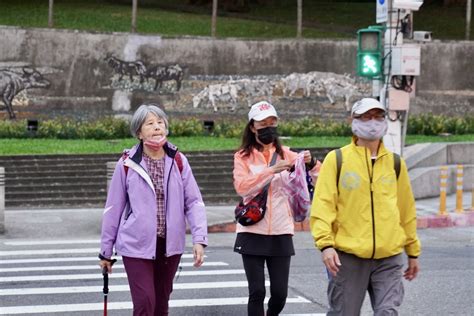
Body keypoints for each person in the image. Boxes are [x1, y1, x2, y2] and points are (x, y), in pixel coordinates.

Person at [310, 98, 421, 316]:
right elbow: (323, 205)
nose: (373, 122)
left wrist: (413, 251)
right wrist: (326, 245)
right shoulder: (337, 159)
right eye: (366, 117)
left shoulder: (396, 163)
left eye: (378, 117)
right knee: (344, 313)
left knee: (387, 312)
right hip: (349, 257)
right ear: (353, 121)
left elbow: (406, 210)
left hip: (388, 256)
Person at [99, 104, 208, 316]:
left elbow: (194, 202)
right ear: (139, 132)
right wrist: (105, 251)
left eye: (160, 122)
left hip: (169, 245)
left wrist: (199, 239)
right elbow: (113, 208)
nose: (157, 127)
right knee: (145, 302)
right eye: (150, 123)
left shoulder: (178, 161)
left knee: (160, 305)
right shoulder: (128, 164)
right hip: (136, 244)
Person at [233, 101, 320, 316]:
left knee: (280, 293)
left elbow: (321, 179)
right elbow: (242, 187)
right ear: (252, 127)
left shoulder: (288, 155)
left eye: (272, 122)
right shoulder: (242, 156)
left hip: (281, 230)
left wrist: (312, 163)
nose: (268, 127)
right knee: (257, 291)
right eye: (263, 123)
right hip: (251, 230)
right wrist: (270, 171)